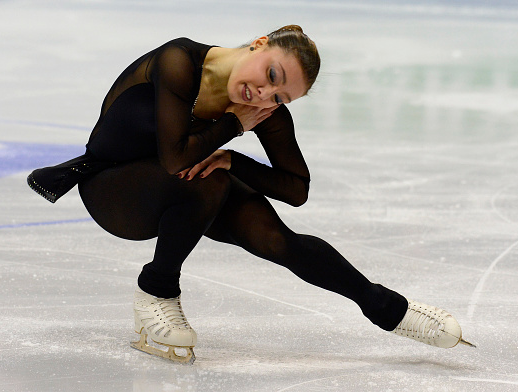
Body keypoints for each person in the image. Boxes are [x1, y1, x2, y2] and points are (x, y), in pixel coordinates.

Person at [27, 25, 473, 364]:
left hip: (187, 187)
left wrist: (235, 159)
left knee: (275, 237)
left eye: (281, 97)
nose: (264, 95)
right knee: (209, 179)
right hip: (114, 190)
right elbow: (174, 157)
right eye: (271, 75)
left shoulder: (264, 109)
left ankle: (388, 308)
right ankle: (156, 292)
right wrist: (234, 126)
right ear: (259, 44)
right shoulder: (180, 61)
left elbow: (296, 189)